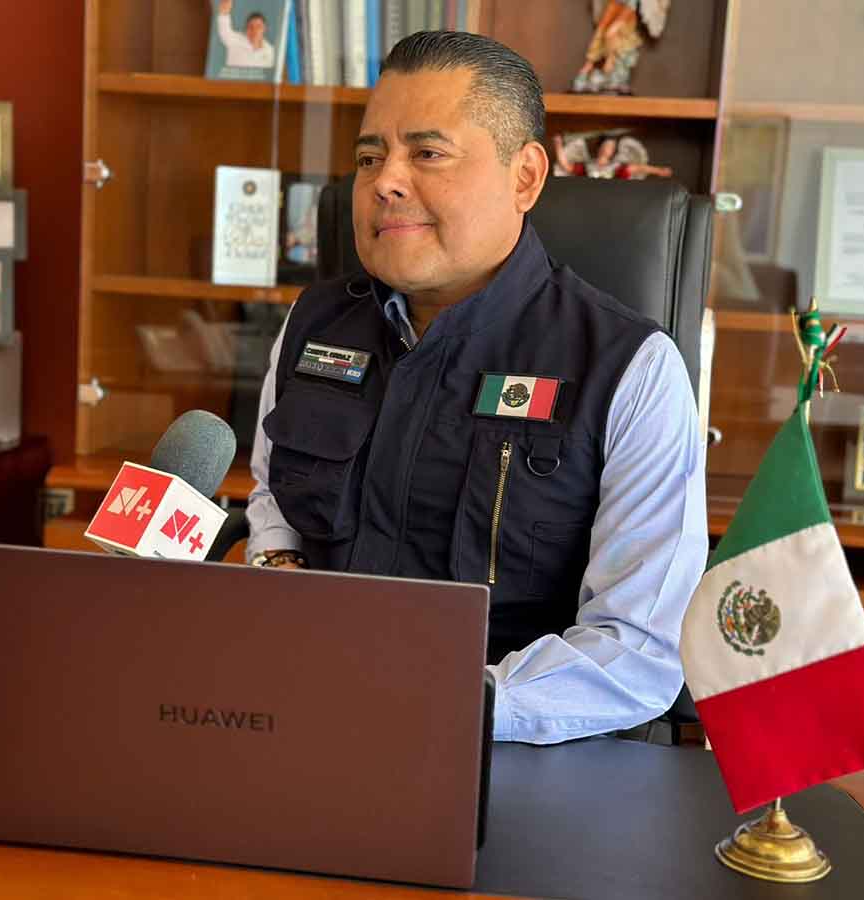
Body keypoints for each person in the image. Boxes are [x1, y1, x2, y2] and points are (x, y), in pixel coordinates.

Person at [246, 31, 707, 744]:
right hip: (303, 716)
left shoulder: (631, 368)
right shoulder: (313, 325)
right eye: (369, 157)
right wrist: (277, 566)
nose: (385, 182)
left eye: (427, 153)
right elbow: (274, 496)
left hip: (508, 749)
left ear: (525, 177)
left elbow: (634, 652)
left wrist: (446, 705)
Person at [215, 0, 274, 69]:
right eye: (250, 27)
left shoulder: (270, 51)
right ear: (246, 29)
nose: (254, 30)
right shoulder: (234, 40)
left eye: (258, 27)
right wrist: (224, 11)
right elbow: (224, 30)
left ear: (264, 28)